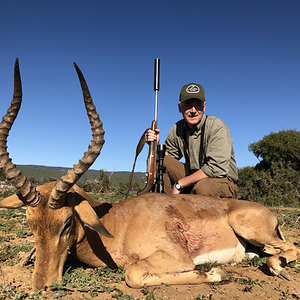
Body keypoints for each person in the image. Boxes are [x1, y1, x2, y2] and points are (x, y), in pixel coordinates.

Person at [146, 83, 238, 198]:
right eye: (188, 105)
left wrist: (179, 184)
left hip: (220, 180)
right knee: (159, 162)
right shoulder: (177, 128)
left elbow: (217, 169)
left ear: (204, 107)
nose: (193, 110)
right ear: (180, 107)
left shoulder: (216, 125)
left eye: (197, 105)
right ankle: (163, 205)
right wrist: (156, 144)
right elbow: (167, 158)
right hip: (193, 178)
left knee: (203, 188)